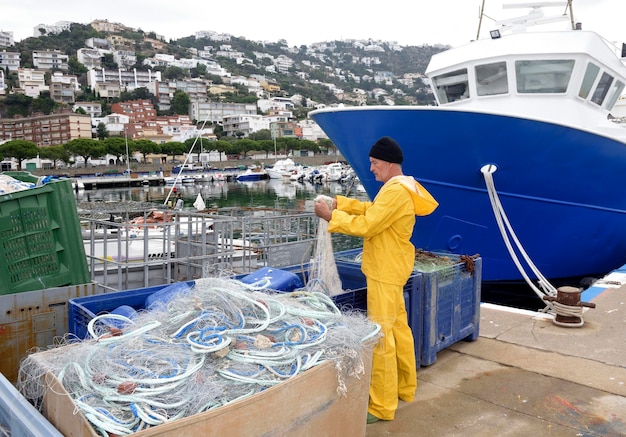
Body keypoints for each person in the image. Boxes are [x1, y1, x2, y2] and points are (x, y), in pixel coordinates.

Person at [314, 136, 438, 424]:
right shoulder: (400, 187)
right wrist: (342, 203)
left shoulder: (394, 192)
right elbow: (373, 211)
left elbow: (369, 225)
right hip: (394, 267)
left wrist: (331, 216)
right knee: (398, 330)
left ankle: (382, 406)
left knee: (381, 337)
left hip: (384, 270)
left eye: (374, 163)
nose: (370, 168)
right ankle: (406, 388)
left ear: (389, 162)